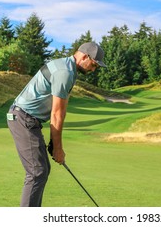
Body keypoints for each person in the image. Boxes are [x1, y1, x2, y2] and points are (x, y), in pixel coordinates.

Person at [6, 42, 106, 207]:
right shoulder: (65, 72)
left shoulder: (68, 69)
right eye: (93, 65)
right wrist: (58, 148)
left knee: (41, 171)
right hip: (23, 118)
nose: (93, 70)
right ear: (84, 57)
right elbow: (57, 114)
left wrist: (54, 143)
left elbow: (60, 111)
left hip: (28, 119)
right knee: (37, 172)